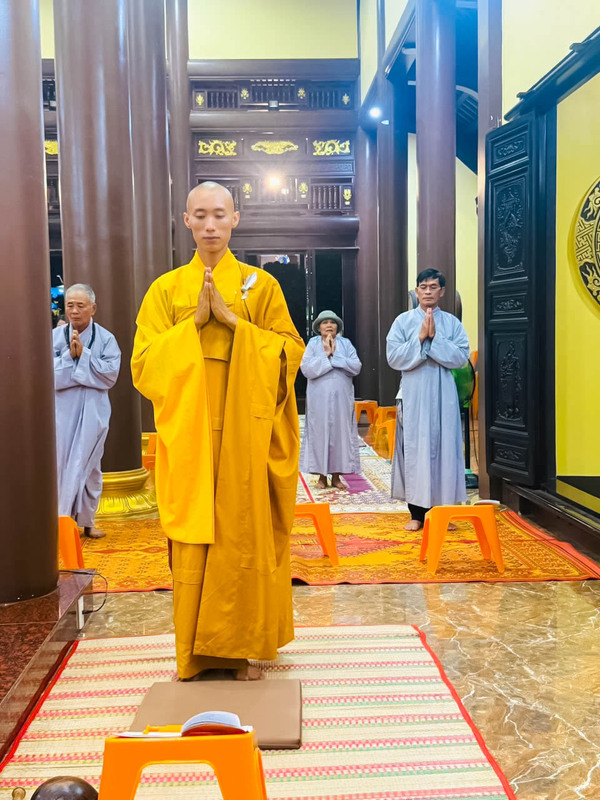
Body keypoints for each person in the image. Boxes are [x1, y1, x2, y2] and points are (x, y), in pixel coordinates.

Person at [131, 182, 304, 681]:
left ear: (235, 219)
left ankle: (242, 649)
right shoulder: (165, 290)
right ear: (186, 220)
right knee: (193, 538)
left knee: (242, 533)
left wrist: (234, 325)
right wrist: (192, 327)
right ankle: (193, 652)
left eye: (220, 215)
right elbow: (143, 364)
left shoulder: (260, 286)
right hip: (190, 432)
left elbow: (291, 352)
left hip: (245, 434)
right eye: (201, 215)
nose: (210, 225)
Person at [386, 268, 469, 531]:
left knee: (445, 450)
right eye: (423, 287)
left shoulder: (452, 324)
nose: (428, 291)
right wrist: (420, 337)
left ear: (442, 292)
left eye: (434, 287)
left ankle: (442, 514)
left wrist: (435, 339)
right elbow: (393, 357)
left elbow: (460, 357)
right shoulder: (402, 321)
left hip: (444, 395)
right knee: (415, 449)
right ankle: (417, 514)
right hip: (414, 394)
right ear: (416, 291)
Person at [53, 284, 121, 539]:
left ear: (93, 308)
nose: (74, 311)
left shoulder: (106, 339)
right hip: (63, 410)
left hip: (94, 410)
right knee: (62, 463)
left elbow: (110, 375)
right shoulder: (54, 337)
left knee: (90, 464)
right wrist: (69, 358)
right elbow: (45, 374)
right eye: (70, 305)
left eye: (80, 305)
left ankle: (88, 522)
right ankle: (62, 519)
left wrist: (84, 356)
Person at [299, 310, 361, 489]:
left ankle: (336, 476)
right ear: (319, 327)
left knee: (340, 435)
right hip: (319, 398)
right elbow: (306, 369)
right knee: (320, 433)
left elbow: (356, 366)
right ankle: (321, 476)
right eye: (325, 322)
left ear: (337, 327)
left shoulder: (346, 343)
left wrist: (336, 356)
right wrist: (326, 355)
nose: (329, 325)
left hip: (342, 398)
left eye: (332, 322)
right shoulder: (312, 344)